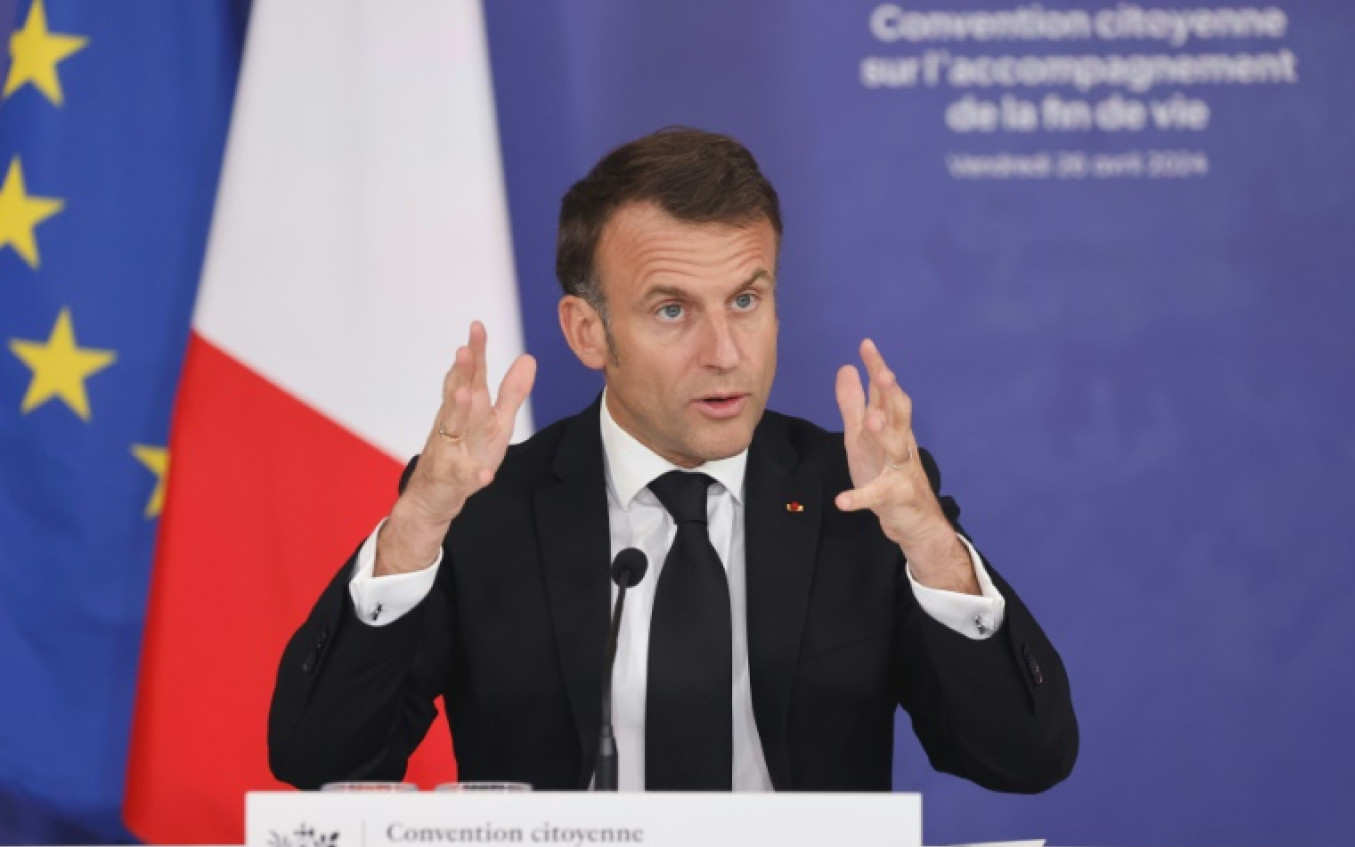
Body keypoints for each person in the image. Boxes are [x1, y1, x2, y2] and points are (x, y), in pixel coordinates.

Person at [268, 128, 1078, 794]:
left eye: (747, 301)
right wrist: (415, 527)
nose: (724, 353)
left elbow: (1024, 758)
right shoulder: (489, 507)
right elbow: (322, 760)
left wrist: (930, 544)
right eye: (670, 310)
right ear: (589, 332)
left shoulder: (862, 499)